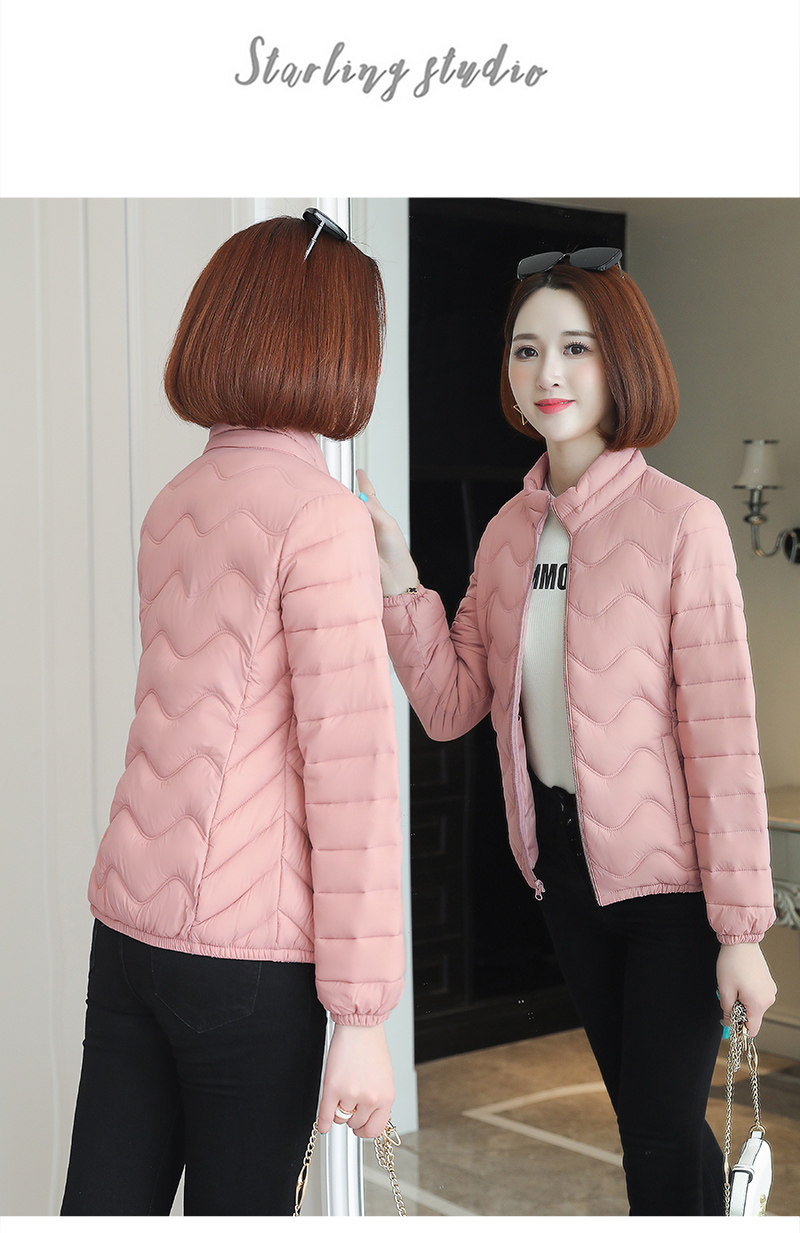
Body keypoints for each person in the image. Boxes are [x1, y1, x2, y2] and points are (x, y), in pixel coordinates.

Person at [357, 247, 777, 1217]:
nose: (547, 372)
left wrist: (740, 932)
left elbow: (721, 739)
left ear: (620, 361)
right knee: (651, 1124)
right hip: (564, 873)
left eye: (576, 348)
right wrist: (397, 579)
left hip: (672, 891)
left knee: (657, 1136)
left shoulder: (684, 525)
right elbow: (450, 702)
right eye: (526, 349)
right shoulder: (510, 533)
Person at [60, 212, 404, 1216]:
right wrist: (362, 1020)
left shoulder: (175, 499)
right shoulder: (320, 517)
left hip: (130, 934)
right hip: (249, 966)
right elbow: (351, 779)